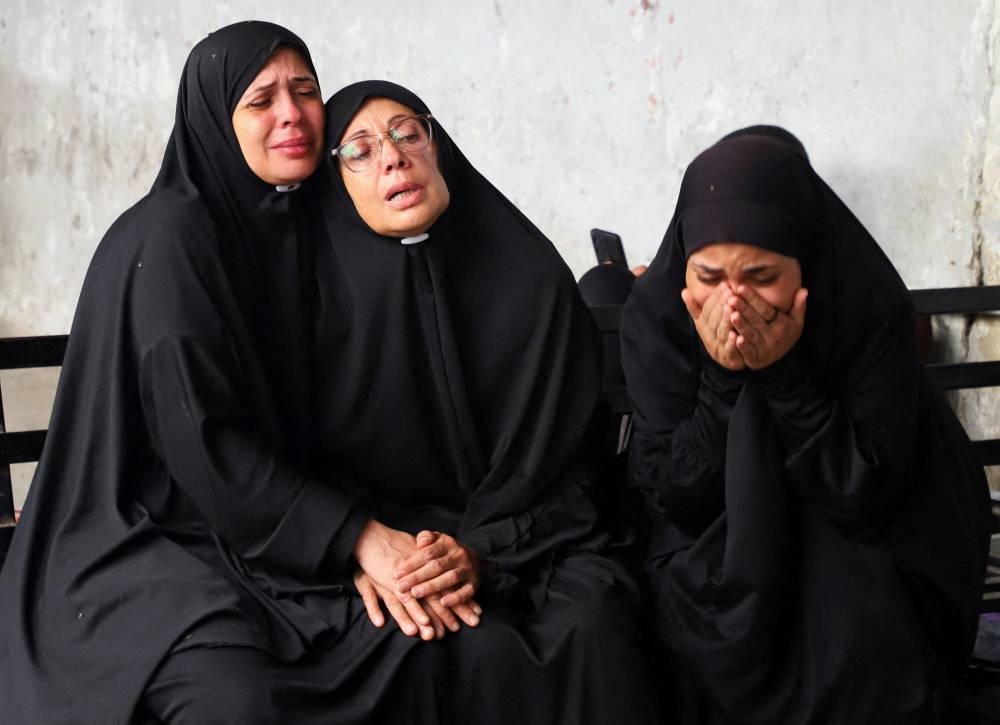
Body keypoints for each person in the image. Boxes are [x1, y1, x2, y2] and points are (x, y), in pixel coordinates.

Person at [0, 22, 452, 725]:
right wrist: (354, 537)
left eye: (304, 91)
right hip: (144, 539)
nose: (291, 115)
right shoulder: (173, 237)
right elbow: (205, 444)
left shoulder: (286, 222)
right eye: (260, 99)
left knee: (429, 639)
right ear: (215, 118)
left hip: (256, 529)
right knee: (240, 699)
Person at [309, 80, 663, 724]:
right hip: (400, 561)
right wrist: (369, 553)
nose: (392, 156)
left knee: (594, 629)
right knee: (431, 644)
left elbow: (580, 467)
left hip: (546, 539)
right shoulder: (318, 313)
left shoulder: (528, 275)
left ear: (436, 145)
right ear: (337, 184)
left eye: (407, 133)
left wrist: (484, 552)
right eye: (358, 149)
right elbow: (310, 473)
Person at [621, 128, 991, 723]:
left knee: (859, 638)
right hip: (711, 533)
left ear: (807, 262)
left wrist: (786, 374)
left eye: (762, 276)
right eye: (710, 278)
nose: (735, 303)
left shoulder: (865, 309)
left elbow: (869, 491)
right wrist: (721, 381)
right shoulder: (659, 321)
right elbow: (674, 495)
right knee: (694, 625)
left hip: (869, 527)